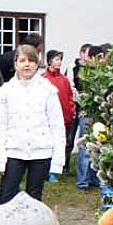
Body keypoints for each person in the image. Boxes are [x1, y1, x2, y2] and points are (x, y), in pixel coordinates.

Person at [0, 44, 65, 204]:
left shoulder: (48, 90)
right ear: (15, 63)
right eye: (22, 60)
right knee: (6, 197)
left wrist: (58, 160)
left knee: (34, 199)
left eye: (31, 61)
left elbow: (57, 126)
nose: (27, 64)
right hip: (14, 151)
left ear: (37, 64)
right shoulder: (6, 91)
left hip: (41, 152)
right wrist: (0, 158)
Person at [43, 50, 75, 182]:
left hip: (65, 117)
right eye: (56, 59)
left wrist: (71, 111)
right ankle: (47, 171)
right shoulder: (44, 79)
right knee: (48, 145)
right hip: (49, 118)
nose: (59, 62)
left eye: (60, 60)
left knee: (61, 144)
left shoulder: (64, 79)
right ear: (49, 61)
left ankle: (58, 167)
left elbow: (69, 96)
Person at [75, 45, 102, 191]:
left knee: (97, 147)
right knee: (85, 147)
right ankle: (82, 180)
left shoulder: (100, 72)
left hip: (98, 114)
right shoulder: (84, 73)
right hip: (88, 113)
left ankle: (93, 179)